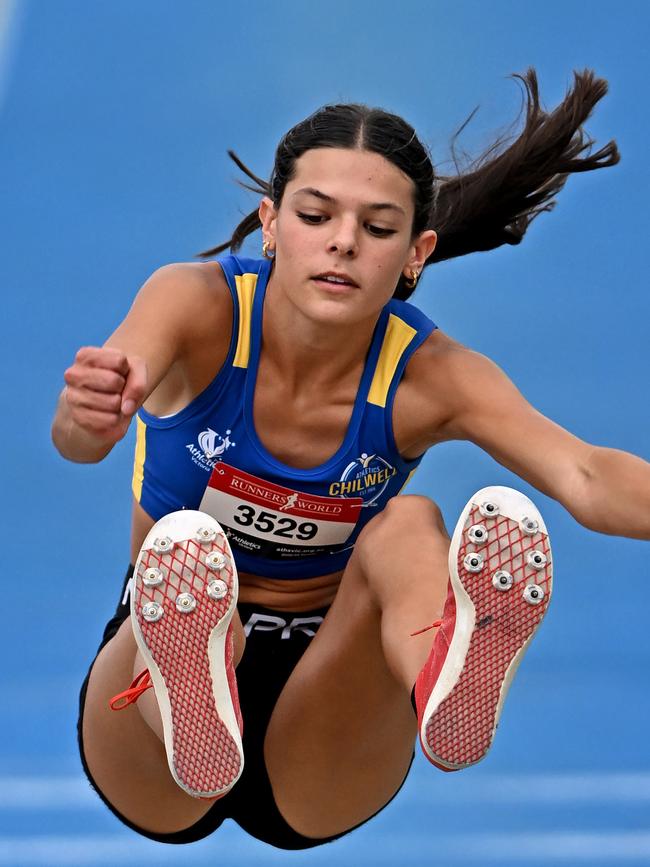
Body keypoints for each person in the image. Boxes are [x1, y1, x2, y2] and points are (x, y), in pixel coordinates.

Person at [51, 68, 650, 850]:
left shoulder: (431, 376)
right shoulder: (195, 307)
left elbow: (587, 475)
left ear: (415, 252)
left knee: (408, 524)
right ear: (270, 222)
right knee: (194, 554)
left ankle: (440, 677)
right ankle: (195, 673)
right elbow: (84, 437)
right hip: (152, 727)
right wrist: (84, 413)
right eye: (315, 214)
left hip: (325, 714)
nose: (341, 241)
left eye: (377, 226)